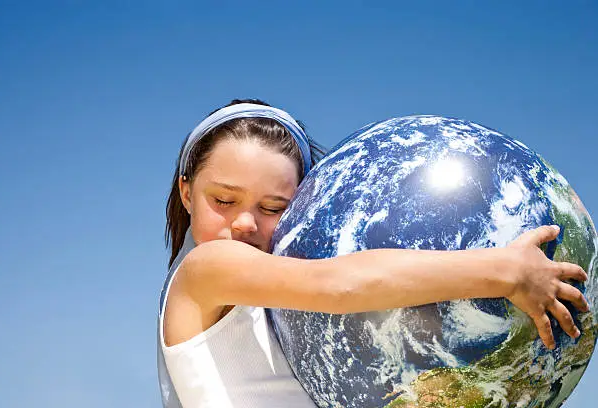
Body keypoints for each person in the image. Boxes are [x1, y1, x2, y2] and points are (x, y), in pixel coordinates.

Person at [157, 99, 589, 408]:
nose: (246, 223)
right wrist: (503, 270)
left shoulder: (275, 309)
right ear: (187, 192)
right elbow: (337, 284)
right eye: (224, 200)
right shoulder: (206, 267)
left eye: (273, 208)